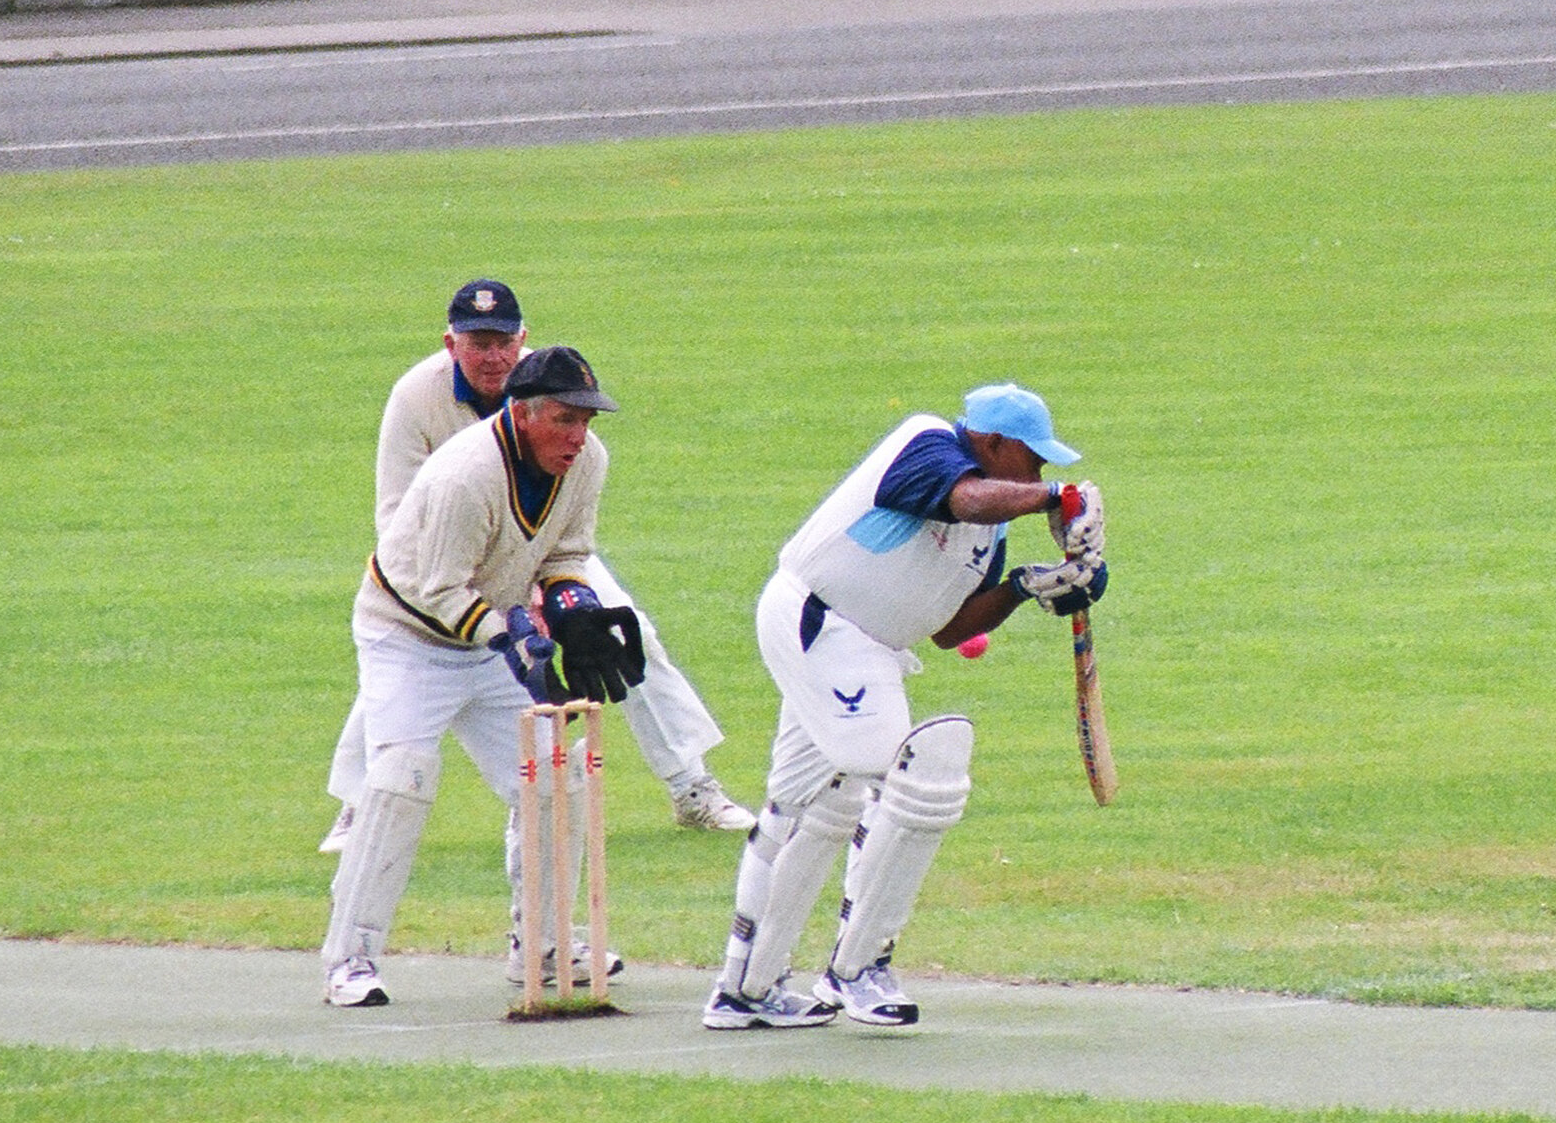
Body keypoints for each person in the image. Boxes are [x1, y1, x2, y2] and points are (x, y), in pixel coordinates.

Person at [707, 384, 1107, 1032]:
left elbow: (950, 630)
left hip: (867, 649)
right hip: (822, 620)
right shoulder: (927, 444)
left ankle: (745, 988)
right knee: (917, 778)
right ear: (993, 442)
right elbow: (965, 498)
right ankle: (857, 967)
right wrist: (1055, 500)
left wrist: (1026, 587)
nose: (1038, 474)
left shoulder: (992, 530)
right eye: (1032, 460)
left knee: (812, 804)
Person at [328, 278, 751, 835]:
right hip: (441, 555)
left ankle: (691, 784)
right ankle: (364, 800)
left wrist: (562, 599)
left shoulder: (556, 391)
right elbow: (399, 520)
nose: (494, 357)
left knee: (623, 632)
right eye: (478, 343)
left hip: (536, 546)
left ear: (523, 339)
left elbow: (570, 546)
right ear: (451, 344)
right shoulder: (417, 398)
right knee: (415, 649)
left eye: (504, 342)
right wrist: (503, 610)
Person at [317, 344, 639, 1008]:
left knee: (556, 779)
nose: (577, 436)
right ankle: (349, 958)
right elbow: (438, 588)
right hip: (407, 634)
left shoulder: (588, 462)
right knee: (401, 778)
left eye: (585, 419)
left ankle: (542, 945)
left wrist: (572, 605)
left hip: (493, 633)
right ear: (522, 414)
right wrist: (510, 637)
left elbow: (568, 551)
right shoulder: (465, 475)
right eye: (564, 419)